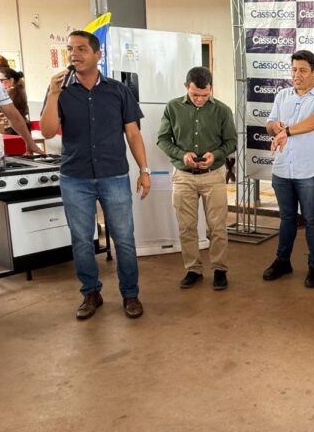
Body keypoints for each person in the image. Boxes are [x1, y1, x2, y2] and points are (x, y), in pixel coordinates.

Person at [40, 30, 151, 320]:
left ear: (97, 55)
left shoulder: (118, 91)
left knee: (123, 238)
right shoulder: (60, 91)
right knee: (81, 240)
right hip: (75, 178)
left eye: (81, 49)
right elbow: (48, 131)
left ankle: (130, 294)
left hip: (114, 175)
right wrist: (53, 93)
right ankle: (91, 293)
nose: (74, 54)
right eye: (70, 49)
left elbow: (133, 134)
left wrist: (144, 170)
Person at [157, 66, 237, 291]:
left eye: (205, 94)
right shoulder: (172, 107)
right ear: (186, 87)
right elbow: (163, 139)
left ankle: (219, 269)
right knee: (187, 226)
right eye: (195, 95)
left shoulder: (222, 110)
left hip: (214, 176)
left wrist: (216, 155)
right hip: (183, 177)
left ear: (211, 88)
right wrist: (182, 155)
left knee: (217, 227)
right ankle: (193, 269)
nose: (200, 99)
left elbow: (231, 142)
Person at [262, 50, 314, 288]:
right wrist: (275, 127)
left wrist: (288, 131)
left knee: (311, 218)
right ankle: (283, 261)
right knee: (287, 218)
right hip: (282, 169)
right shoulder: (282, 95)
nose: (297, 75)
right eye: (294, 69)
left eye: (303, 70)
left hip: (309, 172)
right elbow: (269, 124)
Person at [0, 65, 42, 154]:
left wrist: (30, 143)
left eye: (2, 80)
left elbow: (13, 115)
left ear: (11, 80)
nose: (0, 82)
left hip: (12, 129)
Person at [0, 67, 30, 133]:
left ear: (11, 80)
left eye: (1, 80)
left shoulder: (13, 92)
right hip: (20, 126)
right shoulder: (17, 89)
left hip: (14, 129)